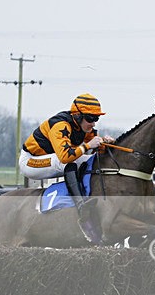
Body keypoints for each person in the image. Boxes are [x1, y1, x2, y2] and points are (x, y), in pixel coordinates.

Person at [18, 93, 115, 242]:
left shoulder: (84, 127)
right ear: (78, 116)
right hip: (31, 161)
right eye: (90, 118)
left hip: (52, 157)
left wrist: (106, 144)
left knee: (93, 160)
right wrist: (88, 146)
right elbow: (65, 156)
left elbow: (97, 151)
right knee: (67, 163)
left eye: (96, 118)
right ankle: (81, 206)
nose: (93, 123)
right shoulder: (60, 125)